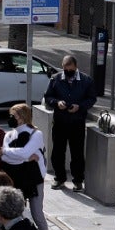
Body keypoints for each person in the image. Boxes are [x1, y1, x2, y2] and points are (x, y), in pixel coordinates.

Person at [0, 104, 51, 230]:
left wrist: (13, 153)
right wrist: (25, 158)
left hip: (34, 179)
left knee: (37, 214)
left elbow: (18, 153)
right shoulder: (9, 135)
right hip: (15, 178)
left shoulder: (36, 134)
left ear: (22, 118)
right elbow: (5, 157)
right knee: (17, 213)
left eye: (13, 116)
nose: (11, 119)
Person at [43, 55, 96, 190]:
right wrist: (57, 103)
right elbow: (48, 96)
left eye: (70, 69)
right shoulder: (56, 79)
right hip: (60, 121)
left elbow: (91, 99)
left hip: (77, 122)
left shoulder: (86, 80)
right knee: (58, 152)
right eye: (65, 69)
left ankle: (78, 180)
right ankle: (59, 178)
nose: (67, 72)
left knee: (77, 153)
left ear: (75, 67)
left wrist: (80, 106)